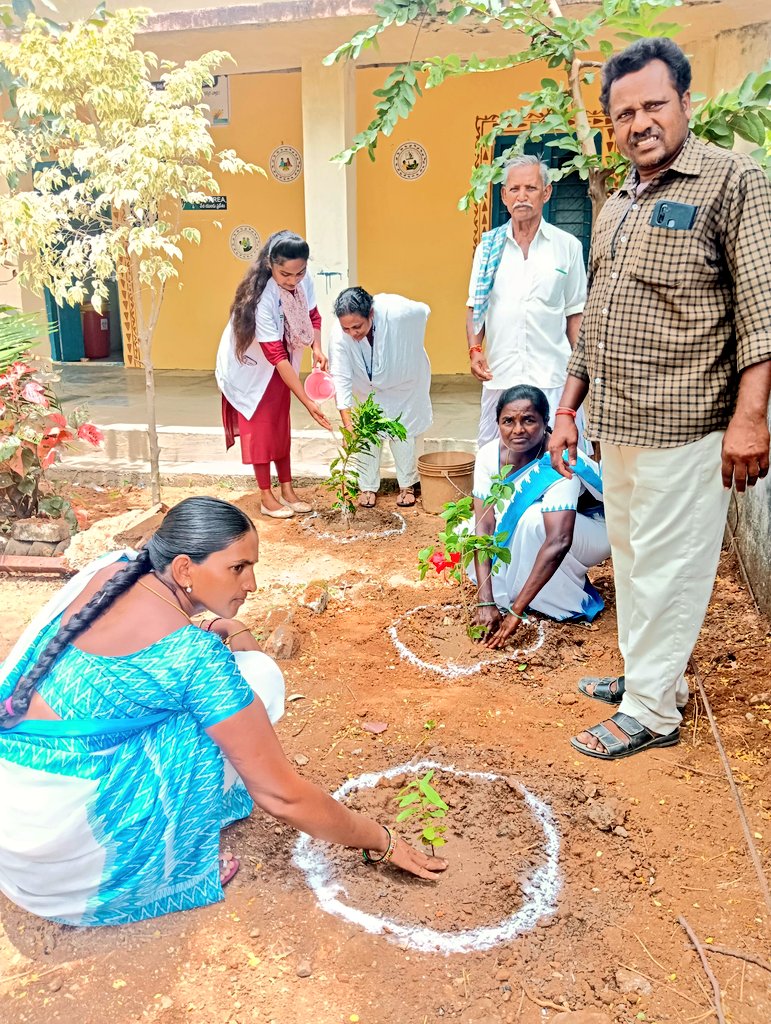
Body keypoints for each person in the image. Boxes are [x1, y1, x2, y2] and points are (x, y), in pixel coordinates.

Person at [0, 497, 446, 927]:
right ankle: (165, 862)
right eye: (238, 568)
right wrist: (382, 839)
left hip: (18, 812)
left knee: (219, 699)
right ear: (183, 569)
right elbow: (281, 796)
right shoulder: (193, 657)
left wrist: (217, 623)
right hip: (66, 856)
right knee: (258, 677)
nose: (251, 584)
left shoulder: (114, 569)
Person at [549, 38, 771, 760]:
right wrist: (567, 408)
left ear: (685, 103)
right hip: (616, 423)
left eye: (653, 105)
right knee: (634, 560)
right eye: (623, 113)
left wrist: (750, 418)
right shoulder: (618, 202)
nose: (639, 122)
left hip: (688, 425)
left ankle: (652, 714)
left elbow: (762, 311)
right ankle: (650, 678)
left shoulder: (732, 180)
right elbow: (596, 317)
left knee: (670, 569)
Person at [470, 385, 609, 649]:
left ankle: (558, 601)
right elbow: (484, 526)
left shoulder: (559, 460)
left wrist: (515, 612)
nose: (518, 430)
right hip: (554, 529)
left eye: (529, 420)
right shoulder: (489, 455)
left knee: (533, 520)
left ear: (546, 423)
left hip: (595, 530)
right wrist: (485, 600)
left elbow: (559, 541)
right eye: (508, 421)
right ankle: (512, 592)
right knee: (471, 528)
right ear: (498, 423)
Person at [466, 155, 588, 448]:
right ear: (504, 196)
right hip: (501, 374)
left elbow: (575, 313)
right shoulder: (488, 248)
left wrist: (582, 368)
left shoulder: (567, 246)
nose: (522, 196)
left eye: (531, 188)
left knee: (559, 454)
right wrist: (475, 350)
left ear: (546, 192)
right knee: (496, 455)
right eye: (515, 189)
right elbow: (475, 306)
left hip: (553, 374)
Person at [216, 230, 332, 520]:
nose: (293, 281)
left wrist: (317, 347)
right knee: (261, 432)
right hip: (252, 369)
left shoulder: (304, 280)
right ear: (270, 265)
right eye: (285, 274)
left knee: (280, 427)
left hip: (281, 364)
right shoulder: (262, 298)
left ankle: (288, 490)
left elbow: (313, 315)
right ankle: (267, 497)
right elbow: (275, 355)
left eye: (299, 273)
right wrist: (308, 401)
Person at [329, 287, 432, 508]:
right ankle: (367, 486)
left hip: (403, 385)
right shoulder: (338, 335)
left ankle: (407, 485)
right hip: (367, 389)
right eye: (346, 328)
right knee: (367, 432)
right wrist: (348, 426)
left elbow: (423, 311)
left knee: (402, 432)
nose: (352, 333)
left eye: (357, 326)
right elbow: (340, 377)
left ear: (371, 314)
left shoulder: (395, 312)